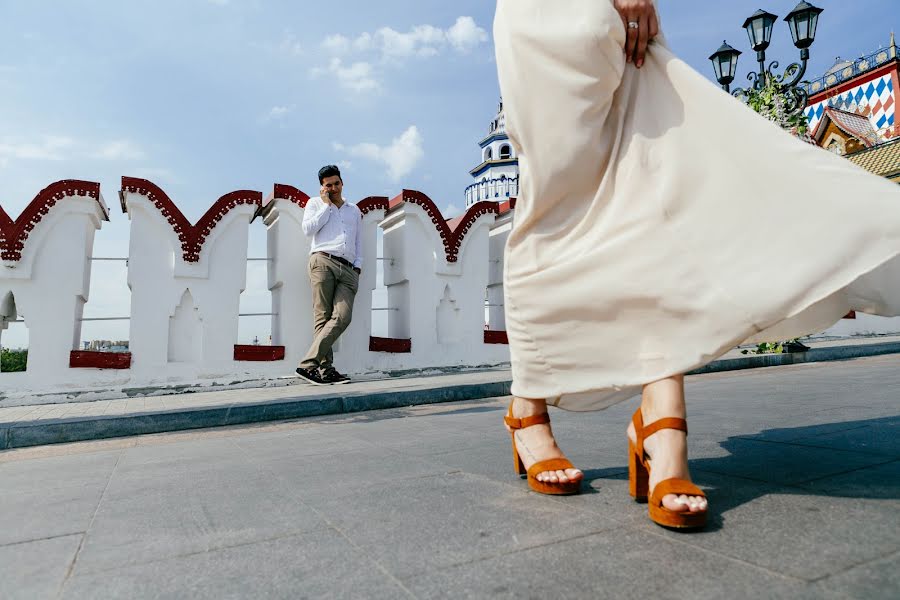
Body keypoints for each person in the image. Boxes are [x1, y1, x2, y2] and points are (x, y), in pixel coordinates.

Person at [493, 0, 900, 529]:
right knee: (551, 202)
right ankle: (529, 407)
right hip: (537, 20)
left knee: (653, 186)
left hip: (614, 16)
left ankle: (663, 421)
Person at [295, 164, 362, 385]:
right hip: (323, 261)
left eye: (336, 183)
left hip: (349, 268)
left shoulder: (354, 210)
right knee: (322, 317)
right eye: (328, 185)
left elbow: (358, 240)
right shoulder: (315, 204)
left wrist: (357, 266)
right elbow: (308, 230)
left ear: (342, 183)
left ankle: (307, 364)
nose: (333, 188)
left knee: (343, 316)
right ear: (322, 188)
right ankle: (326, 370)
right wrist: (326, 206)